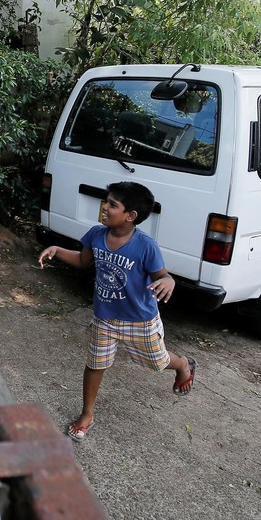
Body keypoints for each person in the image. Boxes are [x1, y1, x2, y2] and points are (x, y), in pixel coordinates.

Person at [38, 181, 195, 441]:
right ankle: (87, 414)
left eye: (113, 204)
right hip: (105, 318)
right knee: (95, 364)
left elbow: (163, 275)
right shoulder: (96, 235)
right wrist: (57, 250)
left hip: (140, 320)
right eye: (106, 201)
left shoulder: (146, 246)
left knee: (157, 363)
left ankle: (183, 364)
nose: (105, 207)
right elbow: (82, 260)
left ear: (130, 215)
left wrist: (169, 282)